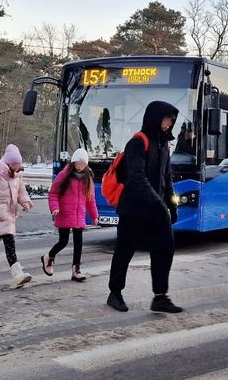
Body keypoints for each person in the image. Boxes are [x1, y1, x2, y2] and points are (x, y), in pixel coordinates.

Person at [107, 101, 183, 314]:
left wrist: (172, 204)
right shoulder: (138, 143)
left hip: (155, 210)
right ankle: (115, 293)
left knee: (165, 249)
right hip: (133, 209)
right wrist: (158, 203)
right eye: (167, 118)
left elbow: (167, 179)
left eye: (171, 120)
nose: (170, 123)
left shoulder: (164, 145)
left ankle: (160, 297)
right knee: (125, 250)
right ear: (155, 118)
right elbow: (137, 178)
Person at [0, 144, 34, 289]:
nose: (16, 169)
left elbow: (21, 192)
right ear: (8, 164)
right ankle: (16, 274)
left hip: (8, 215)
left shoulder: (17, 176)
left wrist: (26, 202)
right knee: (4, 243)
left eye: (18, 166)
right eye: (14, 166)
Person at [43, 148, 98, 282]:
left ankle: (76, 270)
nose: (80, 167)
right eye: (78, 163)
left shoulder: (87, 177)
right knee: (63, 241)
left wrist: (94, 215)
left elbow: (90, 199)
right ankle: (49, 256)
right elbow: (53, 193)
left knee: (79, 242)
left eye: (83, 164)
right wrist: (55, 208)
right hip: (65, 213)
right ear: (73, 162)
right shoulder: (64, 175)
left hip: (79, 215)